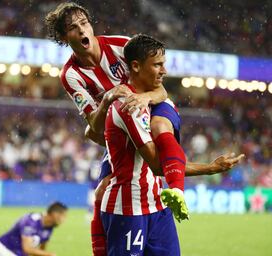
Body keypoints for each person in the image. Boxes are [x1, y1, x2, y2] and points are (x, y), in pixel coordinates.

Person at [45, 2, 244, 255]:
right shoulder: (70, 75)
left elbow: (160, 86)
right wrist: (108, 99)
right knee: (102, 188)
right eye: (73, 28)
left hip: (154, 105)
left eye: (84, 23)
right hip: (123, 118)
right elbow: (93, 126)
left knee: (159, 127)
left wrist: (145, 98)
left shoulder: (120, 45)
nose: (82, 30)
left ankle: (176, 190)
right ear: (64, 37)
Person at [101, 34, 244, 255]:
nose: (164, 71)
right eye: (157, 65)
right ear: (136, 66)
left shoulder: (151, 98)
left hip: (157, 204)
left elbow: (161, 95)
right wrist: (209, 168)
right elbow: (159, 165)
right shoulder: (127, 105)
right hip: (129, 208)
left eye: (163, 64)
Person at [0, 202, 68, 256]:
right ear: (55, 214)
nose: (64, 219)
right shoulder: (31, 221)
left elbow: (41, 250)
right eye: (63, 216)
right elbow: (27, 248)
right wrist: (49, 255)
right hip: (1, 246)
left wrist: (44, 254)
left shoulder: (50, 228)